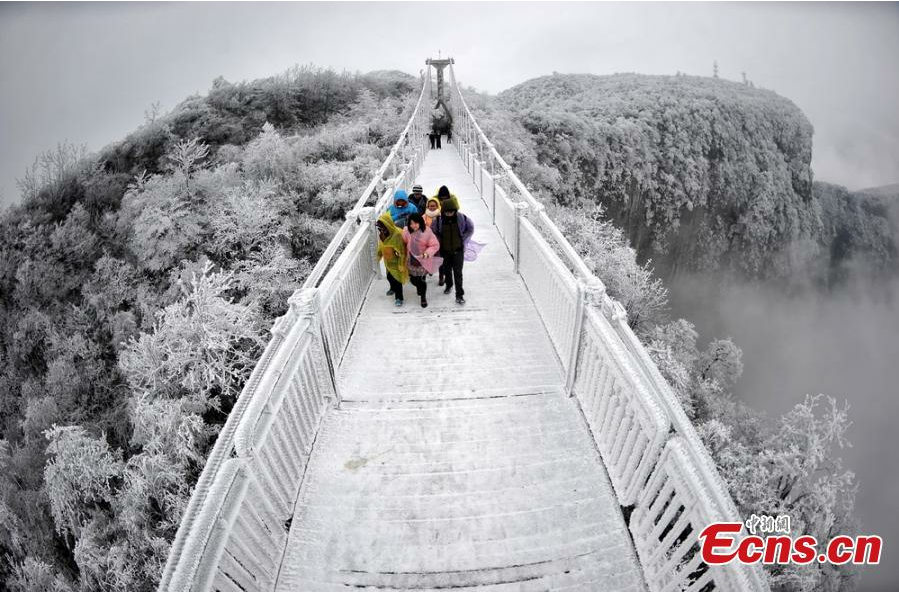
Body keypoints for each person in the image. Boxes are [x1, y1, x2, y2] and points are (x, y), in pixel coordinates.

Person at [431, 195, 474, 305]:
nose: (449, 214)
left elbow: (470, 228)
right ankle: (449, 285)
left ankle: (459, 295)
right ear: (443, 211)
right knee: (446, 270)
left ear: (455, 210)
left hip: (458, 251)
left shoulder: (462, 218)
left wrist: (463, 238)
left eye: (452, 212)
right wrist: (438, 240)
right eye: (447, 212)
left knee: (458, 273)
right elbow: (433, 231)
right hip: (445, 251)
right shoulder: (439, 220)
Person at [402, 213, 441, 308]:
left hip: (423, 260)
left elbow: (435, 245)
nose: (413, 225)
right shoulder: (407, 231)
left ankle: (423, 298)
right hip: (411, 259)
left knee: (421, 280)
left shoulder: (427, 231)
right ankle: (419, 287)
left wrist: (427, 253)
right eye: (411, 223)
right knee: (413, 280)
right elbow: (404, 241)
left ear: (420, 222)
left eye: (415, 223)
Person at [376, 212, 409, 307]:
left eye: (383, 228)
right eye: (380, 228)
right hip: (388, 261)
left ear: (388, 225)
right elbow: (381, 245)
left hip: (396, 261)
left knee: (397, 279)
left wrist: (401, 264)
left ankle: (399, 298)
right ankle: (392, 288)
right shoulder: (382, 234)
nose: (381, 230)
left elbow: (402, 251)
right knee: (390, 277)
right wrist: (379, 254)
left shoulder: (397, 235)